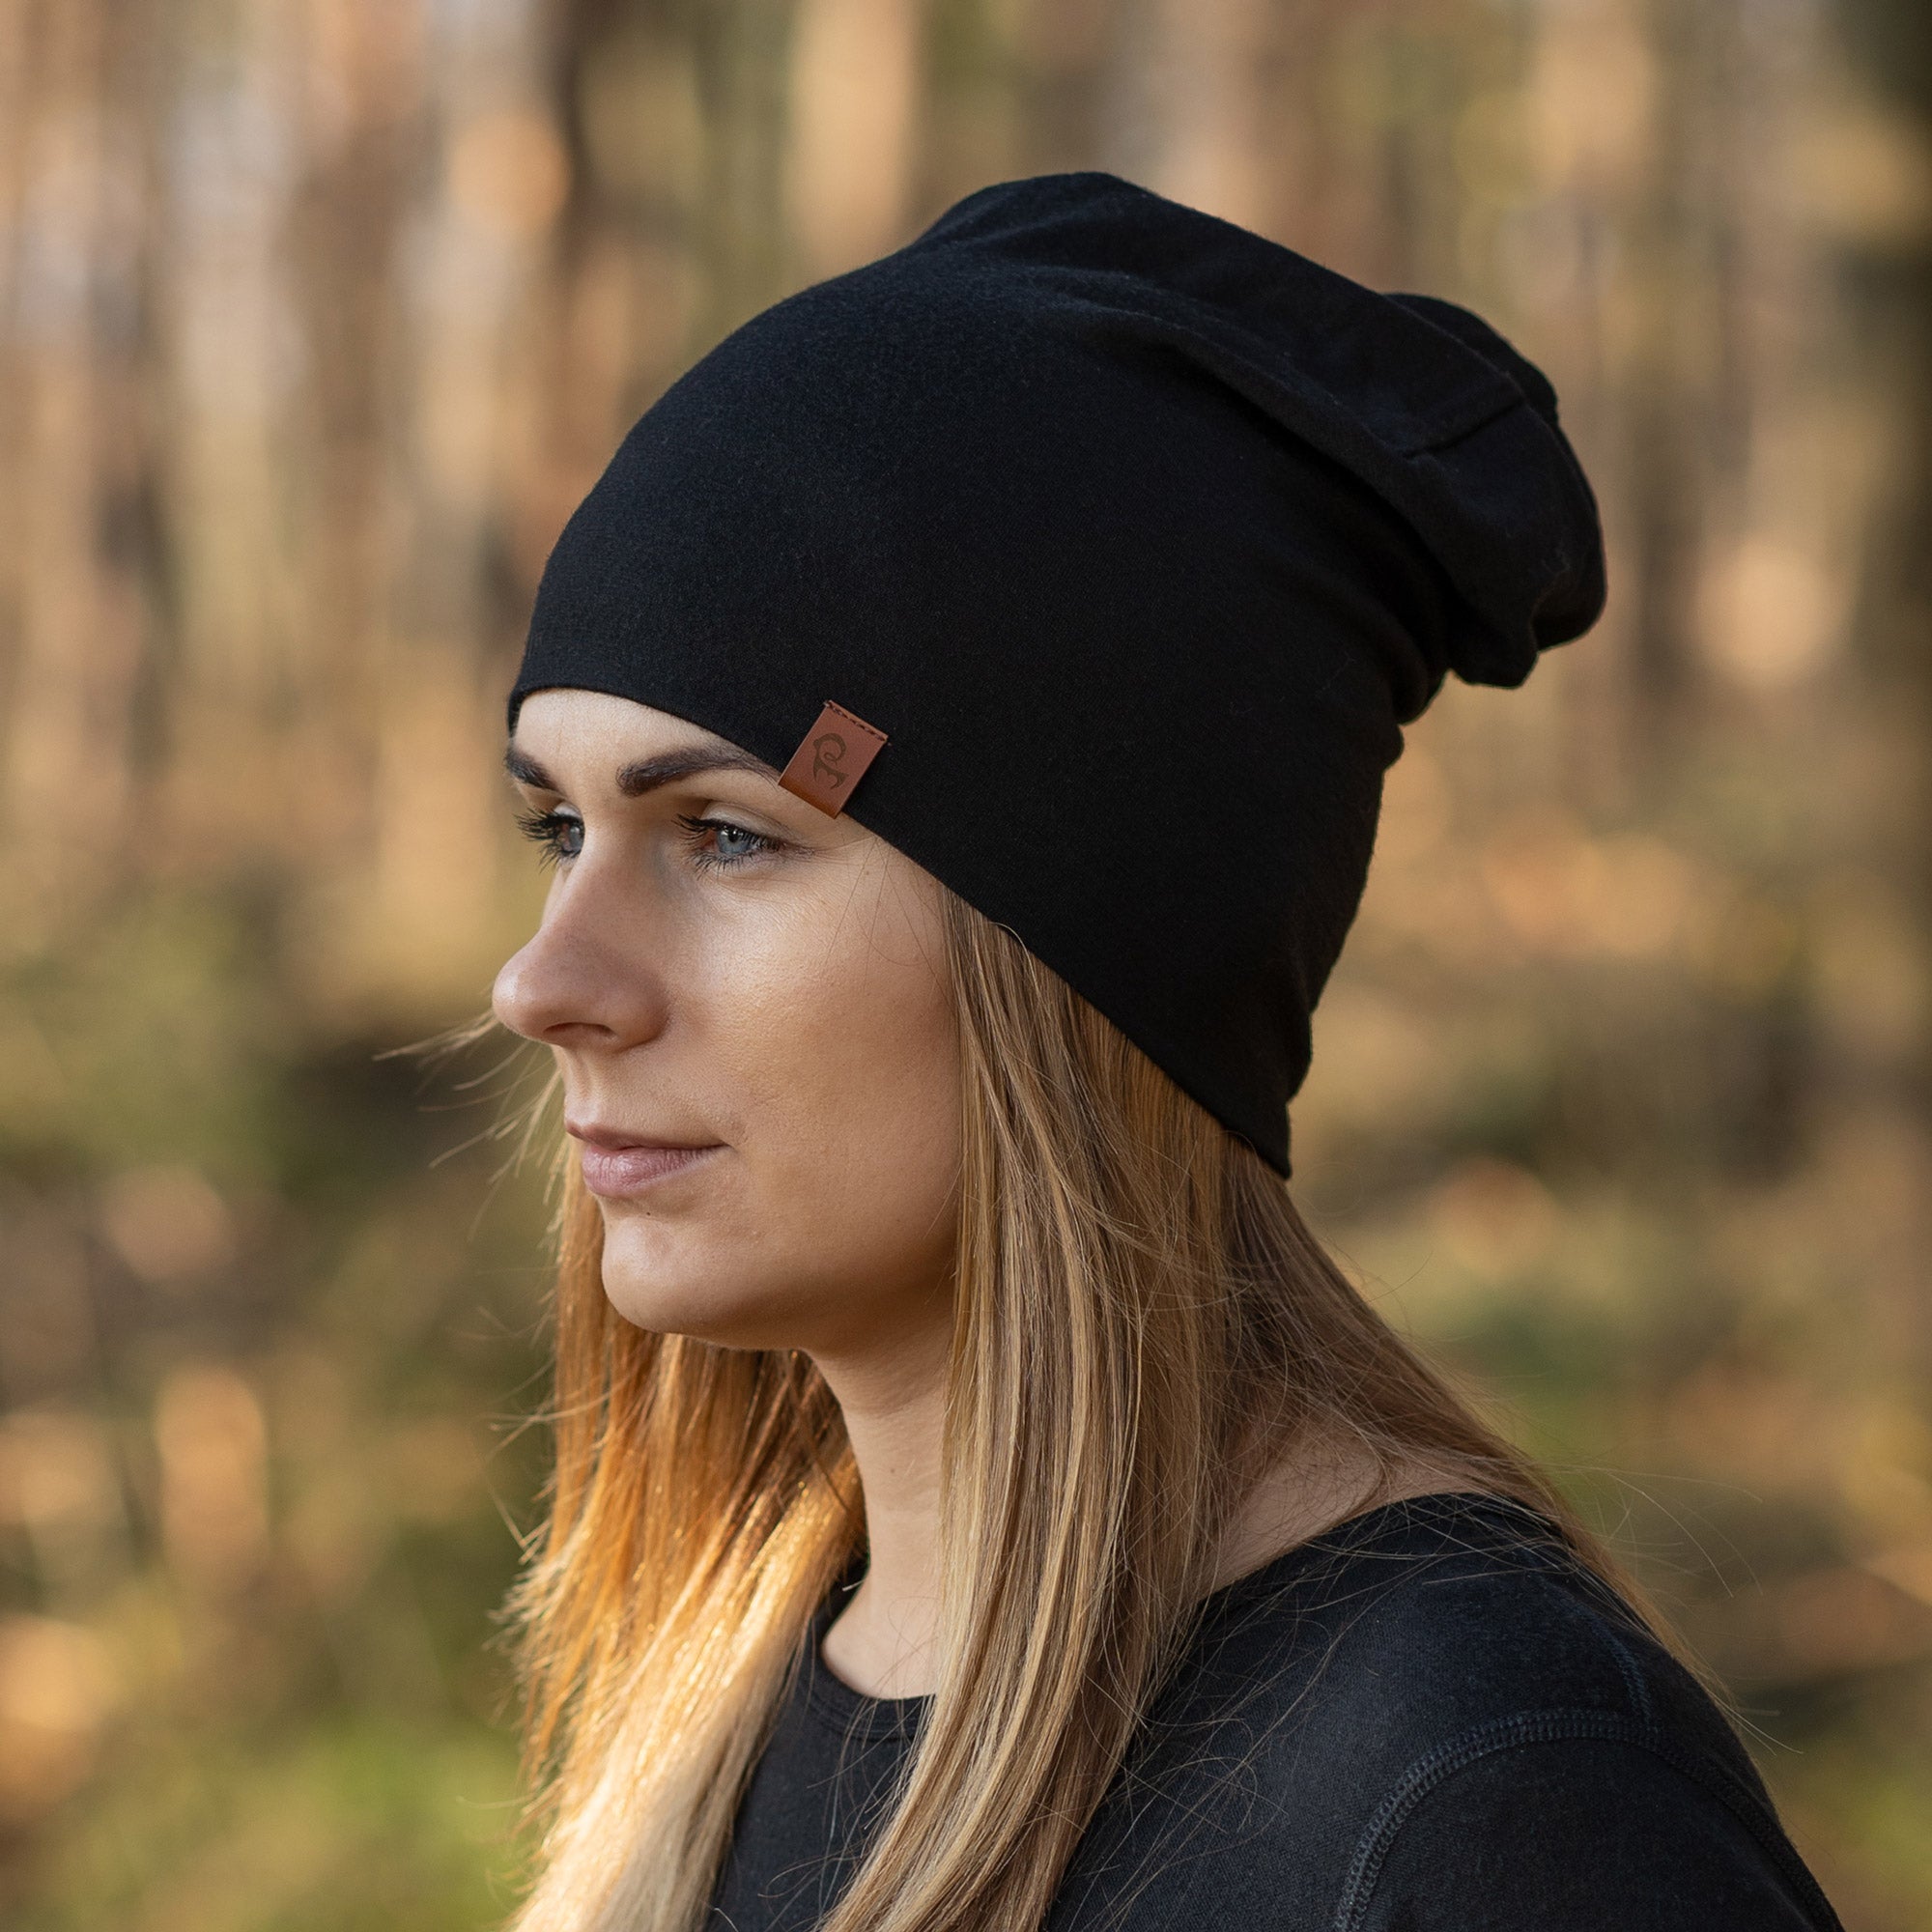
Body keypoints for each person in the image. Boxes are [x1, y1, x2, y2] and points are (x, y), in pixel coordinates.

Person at [488, 174, 1841, 1932]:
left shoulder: (1484, 1798)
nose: (544, 982)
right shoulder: (732, 1697)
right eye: (559, 829)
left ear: (1091, 952)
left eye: (727, 834)